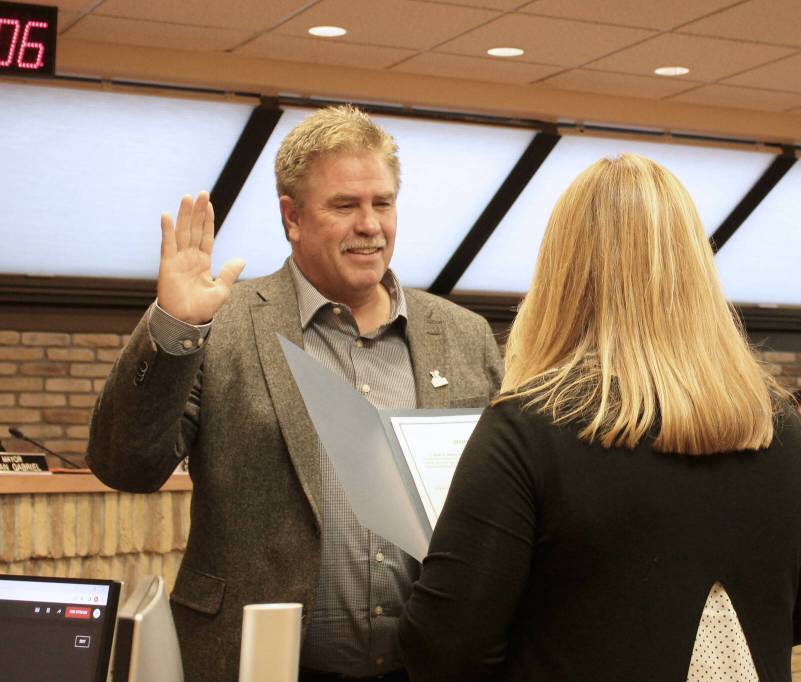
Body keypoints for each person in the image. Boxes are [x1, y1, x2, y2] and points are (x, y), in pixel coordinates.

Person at [86, 105, 503, 682]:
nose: (370, 225)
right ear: (292, 217)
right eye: (344, 205)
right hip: (254, 665)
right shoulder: (223, 325)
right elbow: (125, 465)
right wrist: (174, 328)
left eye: (382, 202)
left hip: (429, 668)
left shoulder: (463, 335)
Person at [398, 154, 801, 681]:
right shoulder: (785, 433)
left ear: (560, 273)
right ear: (695, 266)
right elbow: (800, 620)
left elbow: (445, 649)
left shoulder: (527, 430)